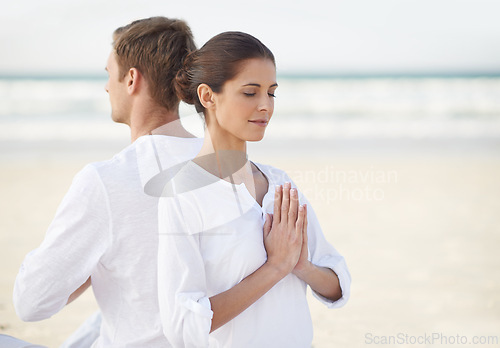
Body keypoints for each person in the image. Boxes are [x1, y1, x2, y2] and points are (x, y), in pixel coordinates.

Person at [13, 16, 203, 347]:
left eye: (108, 74)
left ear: (131, 79)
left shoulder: (107, 180)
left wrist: (92, 257)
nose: (105, 87)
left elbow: (31, 302)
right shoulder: (226, 165)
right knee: (99, 319)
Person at [157, 31, 351, 348]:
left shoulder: (280, 185)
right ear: (208, 96)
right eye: (250, 92)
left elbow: (337, 285)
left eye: (271, 93)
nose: (265, 106)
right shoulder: (181, 196)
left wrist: (303, 267)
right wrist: (275, 268)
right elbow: (183, 326)